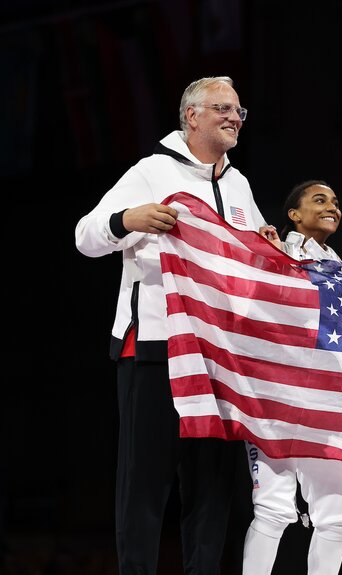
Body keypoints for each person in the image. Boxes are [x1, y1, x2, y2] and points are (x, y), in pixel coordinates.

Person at [75, 76, 274, 574]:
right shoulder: (150, 171)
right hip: (156, 345)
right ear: (192, 116)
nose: (235, 117)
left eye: (239, 110)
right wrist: (128, 218)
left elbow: (248, 261)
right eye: (223, 109)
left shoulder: (239, 184)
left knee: (211, 487)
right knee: (144, 483)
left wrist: (266, 243)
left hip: (219, 354)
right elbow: (85, 237)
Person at [243, 180, 342, 575]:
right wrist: (270, 259)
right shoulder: (271, 248)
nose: (332, 206)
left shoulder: (341, 265)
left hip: (326, 396)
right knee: (273, 509)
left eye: (336, 201)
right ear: (294, 214)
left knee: (337, 513)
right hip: (275, 392)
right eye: (320, 199)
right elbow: (252, 302)